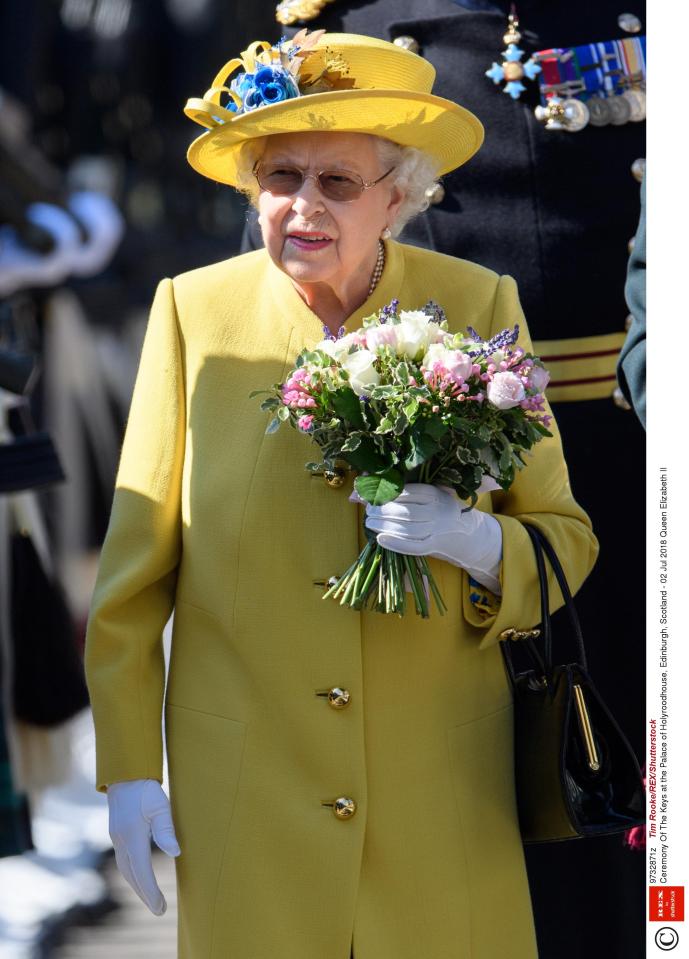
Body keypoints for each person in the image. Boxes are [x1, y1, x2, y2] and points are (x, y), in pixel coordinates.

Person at [84, 32, 598, 959]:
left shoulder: (476, 304)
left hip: (442, 794)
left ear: (396, 198)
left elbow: (563, 537)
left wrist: (474, 544)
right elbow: (132, 581)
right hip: (248, 797)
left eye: (338, 183)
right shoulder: (191, 312)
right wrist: (127, 768)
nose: (302, 206)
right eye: (281, 177)